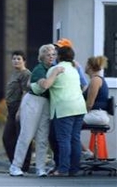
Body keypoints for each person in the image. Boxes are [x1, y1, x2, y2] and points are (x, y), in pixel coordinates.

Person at [9, 44, 58, 177]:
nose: (51, 57)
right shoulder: (39, 69)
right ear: (42, 56)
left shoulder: (53, 68)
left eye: (53, 54)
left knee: (43, 137)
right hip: (33, 101)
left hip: (46, 103)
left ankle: (40, 168)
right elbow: (44, 84)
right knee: (27, 134)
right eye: (48, 55)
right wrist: (55, 73)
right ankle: (15, 166)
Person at [39, 46, 87, 176]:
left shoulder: (55, 70)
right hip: (79, 107)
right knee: (75, 139)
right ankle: (74, 169)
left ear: (59, 56)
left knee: (64, 139)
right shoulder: (74, 69)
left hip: (64, 108)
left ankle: (63, 169)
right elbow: (83, 85)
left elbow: (45, 87)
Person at [2, 50, 32, 173]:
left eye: (19, 59)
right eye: (14, 58)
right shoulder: (14, 73)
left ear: (24, 61)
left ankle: (24, 165)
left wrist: (20, 110)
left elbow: (26, 92)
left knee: (22, 136)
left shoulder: (25, 74)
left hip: (20, 108)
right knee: (8, 138)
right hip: (11, 108)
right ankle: (15, 163)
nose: (16, 61)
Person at [81, 55, 110, 157]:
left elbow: (89, 104)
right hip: (98, 115)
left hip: (96, 115)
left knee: (68, 125)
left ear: (90, 66)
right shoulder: (94, 80)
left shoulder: (95, 80)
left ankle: (86, 152)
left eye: (86, 64)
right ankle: (87, 153)